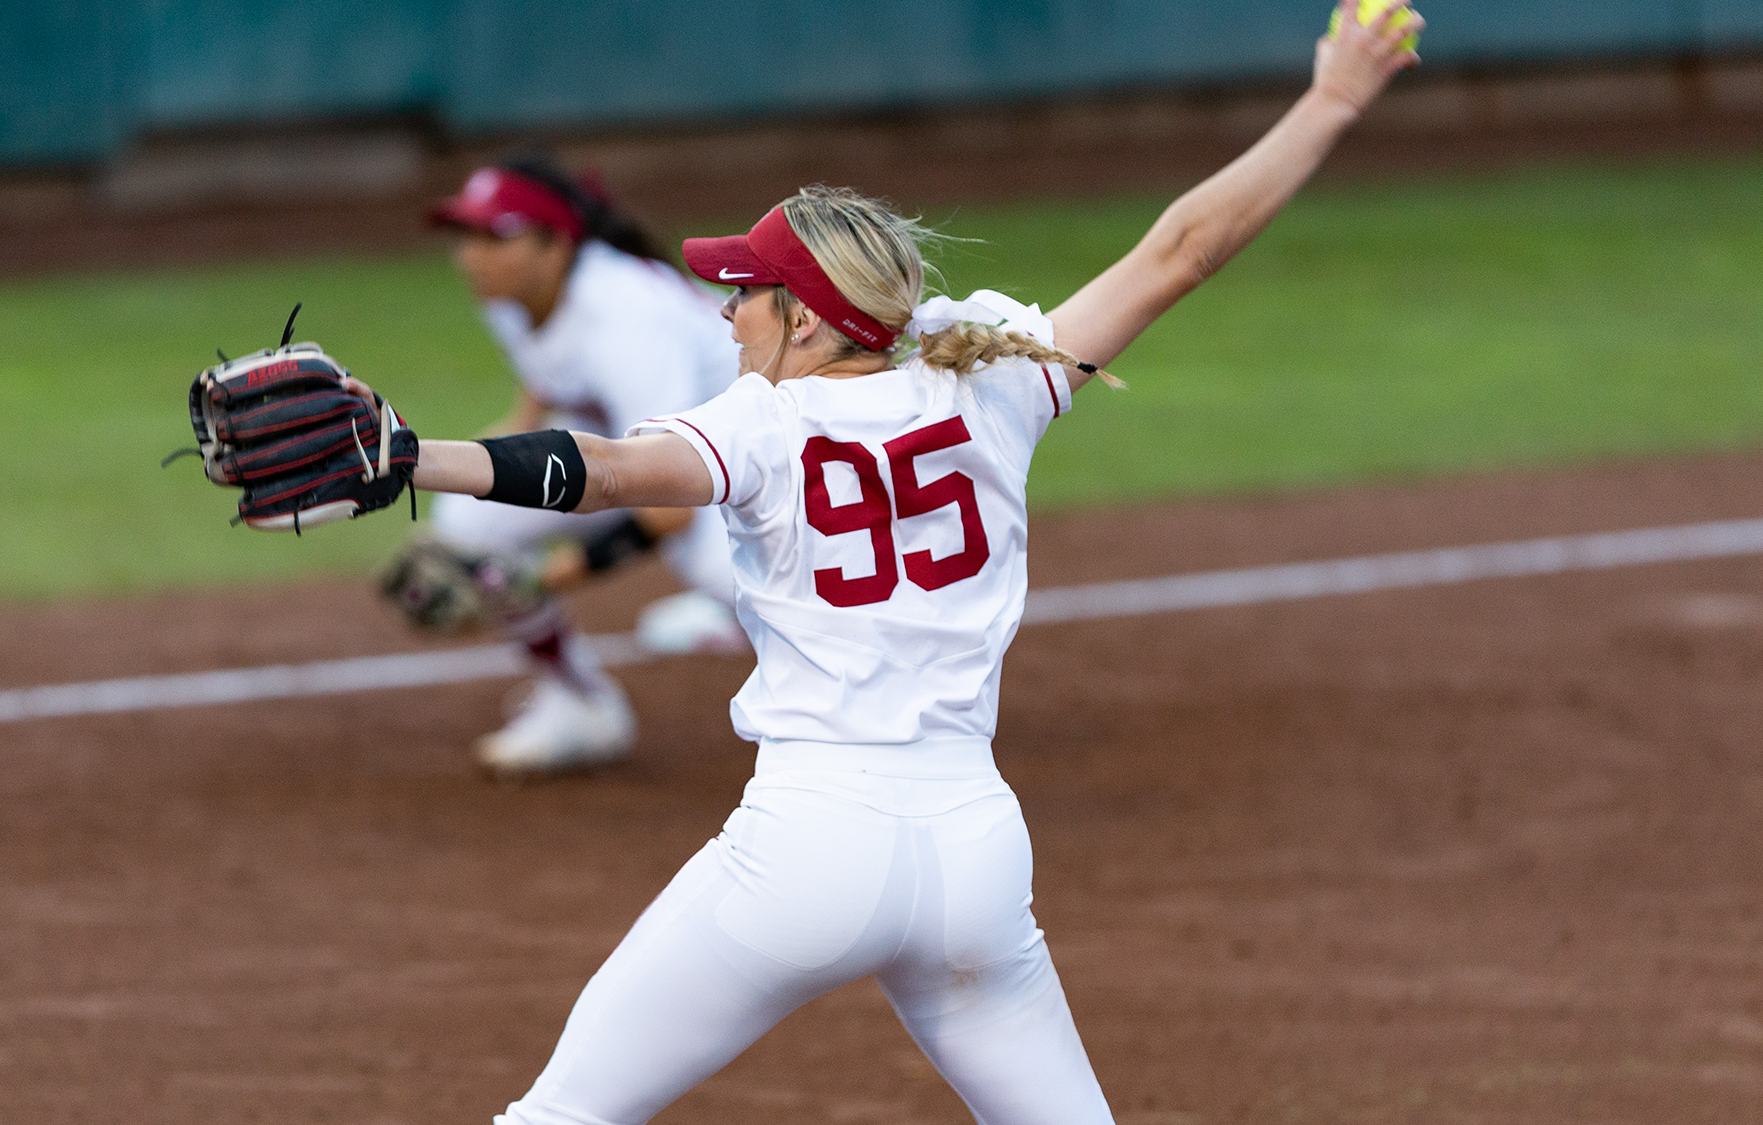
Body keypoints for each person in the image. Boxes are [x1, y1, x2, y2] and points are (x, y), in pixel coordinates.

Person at [354, 4, 1421, 1119]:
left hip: (807, 853)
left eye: (745, 293)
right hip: (974, 860)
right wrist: (1331, 100)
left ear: (808, 324)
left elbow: (608, 472)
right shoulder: (995, 379)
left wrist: (413, 456)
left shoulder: (764, 423)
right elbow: (1182, 251)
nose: (727, 313)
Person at [414, 156, 746, 776]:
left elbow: (671, 505)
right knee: (467, 518)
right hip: (648, 451)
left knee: (722, 575)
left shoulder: (624, 318)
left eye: (495, 236)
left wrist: (539, 581)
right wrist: (423, 475)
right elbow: (537, 399)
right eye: (466, 235)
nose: (471, 256)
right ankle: (580, 705)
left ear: (557, 244)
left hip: (745, 465)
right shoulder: (513, 299)